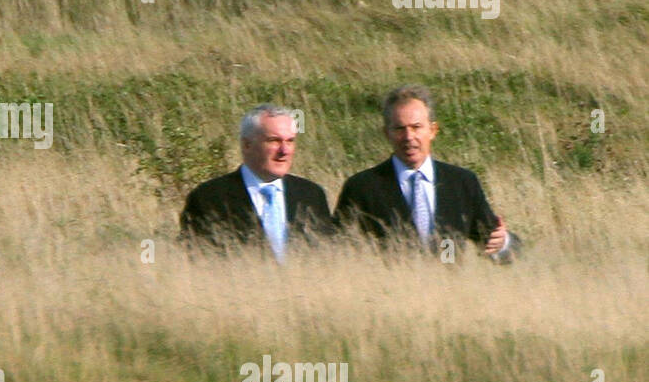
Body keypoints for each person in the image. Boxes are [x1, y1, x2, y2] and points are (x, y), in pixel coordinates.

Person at [334, 84, 518, 262]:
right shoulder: (362, 187)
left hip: (450, 289)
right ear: (386, 133)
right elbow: (337, 250)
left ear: (432, 130)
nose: (408, 137)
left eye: (416, 127)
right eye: (399, 129)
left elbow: (492, 241)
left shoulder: (461, 182)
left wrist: (502, 243)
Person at [180, 104, 333, 259]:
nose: (284, 151)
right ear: (247, 145)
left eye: (290, 141)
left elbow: (327, 257)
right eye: (274, 141)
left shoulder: (311, 195)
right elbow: (198, 263)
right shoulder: (209, 199)